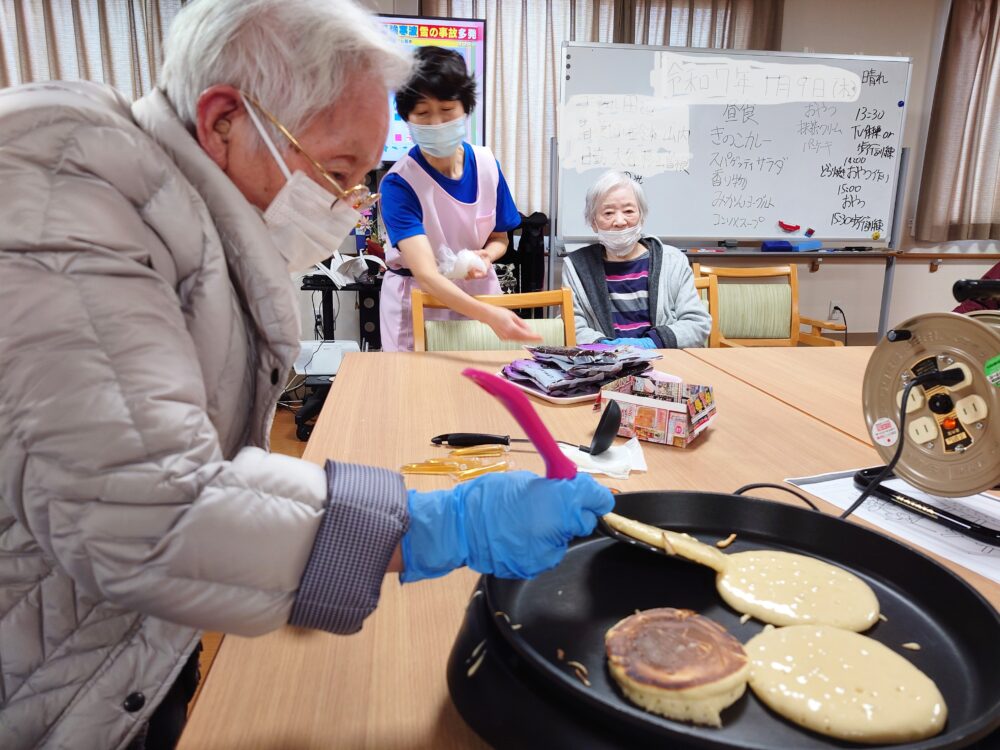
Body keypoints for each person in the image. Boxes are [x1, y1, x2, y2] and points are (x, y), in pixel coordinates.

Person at [0, 2, 614, 748]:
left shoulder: (162, 214)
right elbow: (149, 509)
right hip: (49, 680)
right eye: (333, 171)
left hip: (115, 644)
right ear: (224, 119)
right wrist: (438, 523)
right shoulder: (65, 209)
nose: (339, 203)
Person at [378, 46, 541, 351]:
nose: (437, 123)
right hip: (420, 302)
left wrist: (486, 256)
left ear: (465, 109)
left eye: (447, 110)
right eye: (423, 114)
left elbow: (500, 239)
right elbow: (426, 275)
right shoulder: (400, 184)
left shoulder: (487, 165)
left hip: (480, 293)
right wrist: (491, 316)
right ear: (407, 118)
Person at [562, 171, 712, 349]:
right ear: (593, 222)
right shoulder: (576, 266)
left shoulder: (672, 261)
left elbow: (697, 324)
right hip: (605, 365)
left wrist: (652, 342)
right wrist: (606, 347)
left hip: (666, 360)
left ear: (642, 216)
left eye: (628, 211)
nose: (620, 221)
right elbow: (572, 326)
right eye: (608, 213)